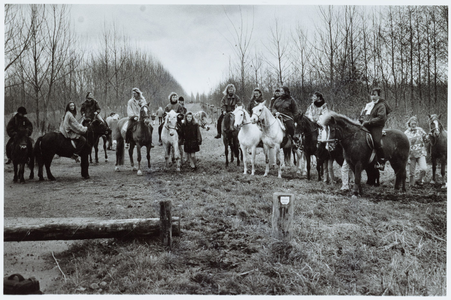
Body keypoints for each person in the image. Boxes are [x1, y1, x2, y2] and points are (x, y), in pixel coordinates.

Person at [359, 87, 392, 171]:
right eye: (371, 95)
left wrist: (369, 121)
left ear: (378, 96)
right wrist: (361, 118)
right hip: (366, 125)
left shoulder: (381, 105)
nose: (372, 97)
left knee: (377, 141)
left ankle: (381, 161)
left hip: (376, 126)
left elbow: (381, 118)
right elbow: (363, 115)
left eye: (375, 95)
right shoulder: (368, 105)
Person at [404, 116, 428, 186]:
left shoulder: (420, 130)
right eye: (412, 124)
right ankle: (411, 185)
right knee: (412, 173)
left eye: (415, 124)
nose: (414, 125)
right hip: (411, 155)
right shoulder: (406, 133)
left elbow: (426, 139)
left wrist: (428, 137)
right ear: (409, 124)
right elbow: (404, 145)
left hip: (421, 153)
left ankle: (419, 180)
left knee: (424, 168)